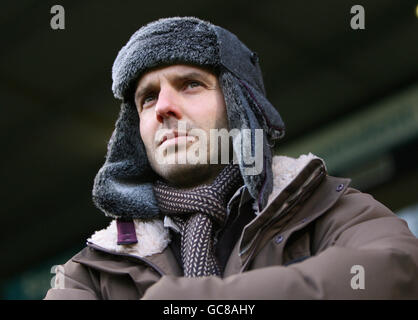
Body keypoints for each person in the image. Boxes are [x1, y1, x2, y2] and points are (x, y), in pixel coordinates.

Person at [44, 16, 418, 300]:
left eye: (191, 84)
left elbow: (398, 269)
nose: (164, 108)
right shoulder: (91, 270)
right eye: (148, 98)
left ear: (241, 107)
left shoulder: (323, 205)